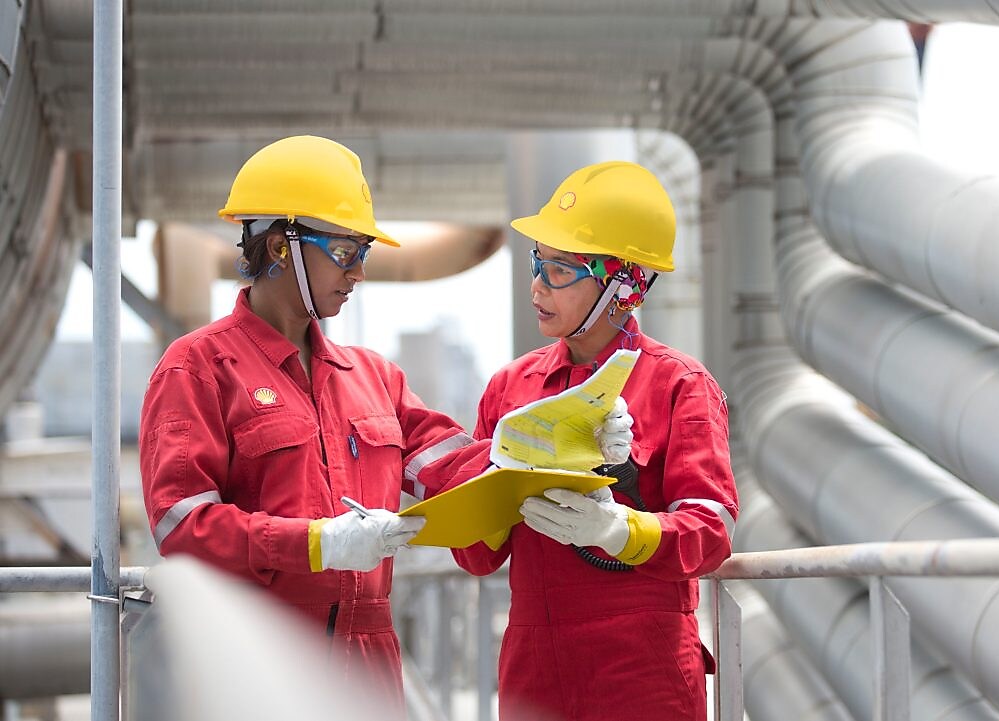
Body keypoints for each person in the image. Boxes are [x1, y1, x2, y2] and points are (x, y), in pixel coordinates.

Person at [137, 136, 633, 715]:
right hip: (257, 660)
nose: (361, 272)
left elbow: (462, 472)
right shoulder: (198, 367)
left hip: (368, 664)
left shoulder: (373, 379)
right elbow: (181, 525)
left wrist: (569, 438)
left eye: (363, 251)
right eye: (346, 250)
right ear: (280, 245)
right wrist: (319, 544)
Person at [451, 161, 738, 721]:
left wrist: (618, 530)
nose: (537, 284)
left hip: (642, 672)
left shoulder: (680, 384)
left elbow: (711, 531)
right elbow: (478, 557)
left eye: (560, 269)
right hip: (535, 671)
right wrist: (486, 495)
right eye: (538, 262)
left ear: (624, 284)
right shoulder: (511, 389)